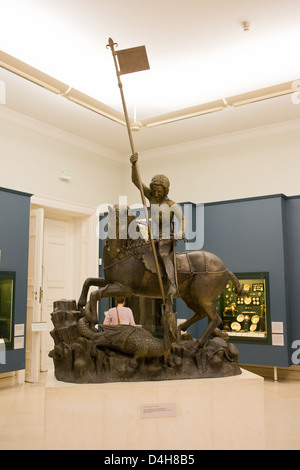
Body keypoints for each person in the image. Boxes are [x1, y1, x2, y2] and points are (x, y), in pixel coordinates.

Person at [130, 153, 185, 309]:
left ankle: (172, 284)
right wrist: (134, 165)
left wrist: (181, 231)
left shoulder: (171, 204)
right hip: (153, 235)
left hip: (167, 237)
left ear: (165, 190)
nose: (156, 193)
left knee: (163, 254)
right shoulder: (151, 197)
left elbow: (182, 219)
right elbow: (136, 181)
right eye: (154, 189)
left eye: (160, 190)